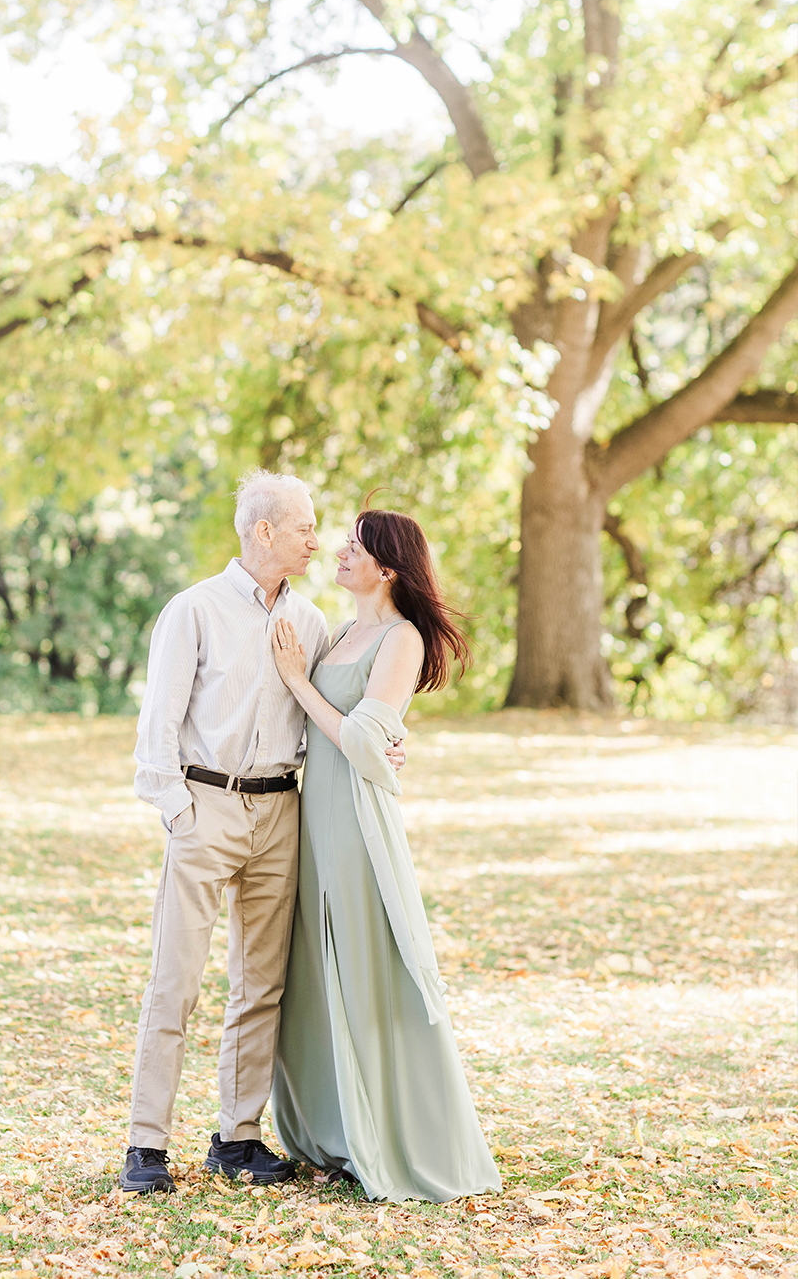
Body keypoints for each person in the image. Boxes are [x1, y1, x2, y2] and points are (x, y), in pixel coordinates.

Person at [119, 470, 405, 1195]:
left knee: (261, 987)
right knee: (175, 981)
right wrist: (180, 812)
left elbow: (345, 705)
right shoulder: (193, 611)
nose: (318, 538)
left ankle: (237, 1138)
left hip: (282, 812)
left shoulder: (311, 624)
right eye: (306, 526)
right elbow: (157, 729)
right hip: (205, 806)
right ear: (265, 532)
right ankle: (146, 1146)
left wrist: (389, 742)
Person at [267, 506, 501, 1202]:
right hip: (314, 818)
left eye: (356, 547)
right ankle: (336, 1127)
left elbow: (368, 743)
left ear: (387, 568)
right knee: (318, 967)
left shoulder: (399, 639)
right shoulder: (342, 632)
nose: (341, 552)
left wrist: (298, 682)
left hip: (357, 824)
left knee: (366, 966)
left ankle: (392, 1132)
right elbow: (358, 731)